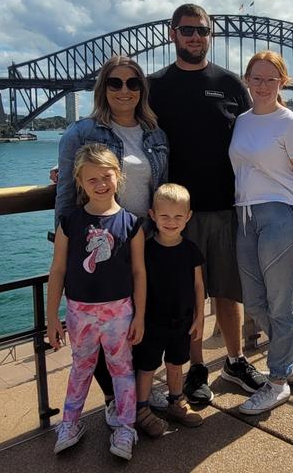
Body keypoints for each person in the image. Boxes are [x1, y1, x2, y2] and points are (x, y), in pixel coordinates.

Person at [149, 3, 266, 404]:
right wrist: (71, 166)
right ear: (172, 34)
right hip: (177, 215)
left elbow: (258, 133)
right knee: (188, 295)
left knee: (228, 292)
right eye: (187, 30)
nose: (194, 37)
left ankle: (234, 361)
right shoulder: (154, 86)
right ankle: (197, 366)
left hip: (226, 206)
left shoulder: (231, 83)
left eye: (201, 30)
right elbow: (125, 131)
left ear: (209, 36)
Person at [54, 55, 170, 418]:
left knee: (140, 324)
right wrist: (68, 247)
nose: (124, 90)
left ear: (142, 90)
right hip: (102, 247)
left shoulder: (155, 133)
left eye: (133, 83)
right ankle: (114, 401)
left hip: (147, 240)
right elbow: (67, 199)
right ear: (103, 88)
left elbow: (162, 188)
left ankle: (138, 395)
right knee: (103, 332)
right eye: (115, 83)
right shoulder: (80, 133)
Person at [228, 51, 293, 414]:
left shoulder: (292, 124)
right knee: (254, 302)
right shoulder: (243, 121)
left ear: (282, 82)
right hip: (245, 216)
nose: (263, 85)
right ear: (247, 80)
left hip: (281, 218)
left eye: (271, 79)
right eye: (257, 78)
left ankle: (278, 380)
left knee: (282, 305)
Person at [46, 143, 146, 460]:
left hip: (120, 311)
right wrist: (52, 318)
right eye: (92, 180)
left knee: (121, 370)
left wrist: (139, 315)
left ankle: (126, 428)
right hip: (79, 311)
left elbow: (139, 273)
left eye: (107, 176)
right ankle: (70, 422)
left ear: (118, 176)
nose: (101, 185)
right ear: (80, 182)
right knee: (80, 368)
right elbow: (58, 270)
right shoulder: (70, 221)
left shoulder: (131, 223)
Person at [133, 184, 205, 437]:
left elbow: (198, 286)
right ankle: (141, 410)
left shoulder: (191, 250)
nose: (171, 222)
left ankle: (176, 402)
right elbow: (137, 285)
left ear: (188, 216)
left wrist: (200, 317)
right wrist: (138, 318)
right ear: (152, 215)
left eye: (178, 217)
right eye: (164, 216)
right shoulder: (146, 250)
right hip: (152, 322)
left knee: (176, 364)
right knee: (147, 366)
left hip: (182, 321)